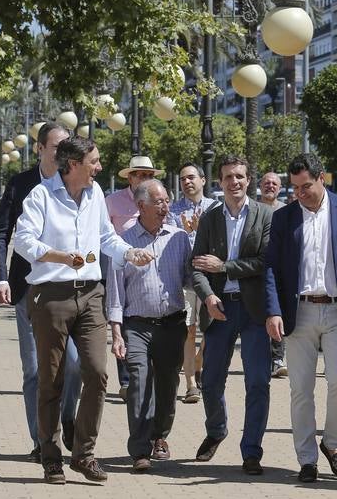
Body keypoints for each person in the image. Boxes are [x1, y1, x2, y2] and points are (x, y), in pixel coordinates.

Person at [15, 136, 154, 485]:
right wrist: (60, 257)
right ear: (73, 164)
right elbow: (23, 241)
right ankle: (50, 456)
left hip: (92, 294)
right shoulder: (41, 196)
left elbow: (106, 237)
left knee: (96, 372)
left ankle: (84, 453)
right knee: (52, 380)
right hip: (51, 296)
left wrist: (129, 254)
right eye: (94, 161)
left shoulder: (95, 197)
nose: (100, 167)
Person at [265, 153, 337, 482]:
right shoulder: (284, 218)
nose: (301, 193)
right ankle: (307, 459)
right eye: (295, 187)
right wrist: (273, 310)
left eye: (306, 186)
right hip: (297, 312)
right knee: (301, 388)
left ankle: (332, 442)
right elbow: (271, 268)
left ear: (321, 179)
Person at [0, 121, 81, 460]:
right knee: (34, 369)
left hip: (68, 288)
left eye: (65, 148)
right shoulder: (21, 184)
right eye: (55, 147)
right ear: (40, 148)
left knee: (73, 364)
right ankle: (41, 441)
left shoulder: (75, 182)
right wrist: (0, 278)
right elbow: (0, 234)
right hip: (28, 288)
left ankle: (68, 419)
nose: (61, 154)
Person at [192, 155, 273, 476]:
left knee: (257, 383)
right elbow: (197, 266)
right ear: (220, 182)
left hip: (254, 311)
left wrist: (225, 266)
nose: (234, 182)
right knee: (210, 382)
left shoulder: (265, 215)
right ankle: (216, 430)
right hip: (219, 308)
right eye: (228, 177)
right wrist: (208, 296)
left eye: (239, 176)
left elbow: (266, 261)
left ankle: (251, 450)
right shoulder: (211, 218)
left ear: (248, 180)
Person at [107, 180, 192, 470]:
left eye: (167, 200)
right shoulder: (124, 242)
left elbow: (190, 279)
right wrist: (116, 332)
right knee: (139, 384)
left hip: (171, 323)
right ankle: (140, 449)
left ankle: (160, 436)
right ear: (141, 206)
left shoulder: (179, 238)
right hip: (137, 326)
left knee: (168, 384)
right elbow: (116, 292)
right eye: (159, 201)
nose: (166, 206)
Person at [105, 155, 162, 401]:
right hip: (120, 269)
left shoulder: (158, 199)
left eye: (148, 175)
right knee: (123, 321)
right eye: (139, 174)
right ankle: (127, 380)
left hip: (150, 271)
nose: (144, 178)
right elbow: (103, 236)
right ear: (129, 177)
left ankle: (145, 376)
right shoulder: (112, 201)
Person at [170, 162, 216, 403]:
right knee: (188, 331)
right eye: (183, 179)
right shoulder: (172, 210)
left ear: (202, 180)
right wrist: (188, 234)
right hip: (183, 280)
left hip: (210, 281)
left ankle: (199, 360)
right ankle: (190, 384)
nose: (187, 182)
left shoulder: (215, 208)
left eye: (191, 178)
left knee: (211, 330)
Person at [259, 171, 288, 379]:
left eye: (274, 184)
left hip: (279, 271)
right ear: (261, 186)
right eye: (267, 183)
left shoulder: (286, 211)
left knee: (278, 313)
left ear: (279, 188)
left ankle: (278, 359)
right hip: (255, 271)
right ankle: (261, 359)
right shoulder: (252, 209)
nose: (270, 186)